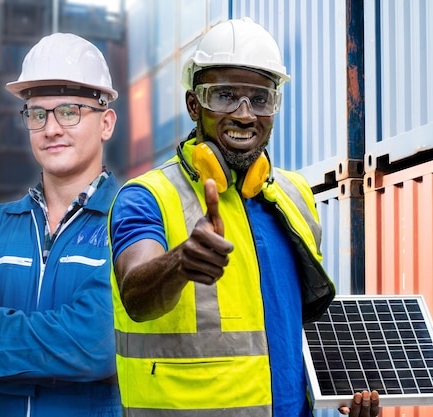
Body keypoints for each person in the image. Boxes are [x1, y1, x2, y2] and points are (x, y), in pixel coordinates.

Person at [108, 17, 380, 417]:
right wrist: (180, 262)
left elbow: (298, 326)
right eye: (224, 96)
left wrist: (342, 395)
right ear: (193, 105)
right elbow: (137, 294)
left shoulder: (294, 195)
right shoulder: (146, 197)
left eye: (260, 98)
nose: (244, 114)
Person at [0, 32, 122, 417]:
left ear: (106, 122)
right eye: (36, 113)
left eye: (69, 111)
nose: (50, 129)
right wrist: (57, 353)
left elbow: (97, 346)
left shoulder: (130, 223)